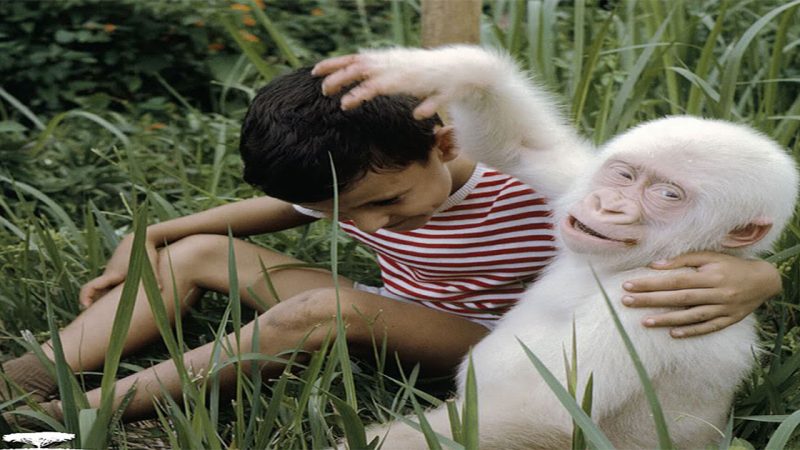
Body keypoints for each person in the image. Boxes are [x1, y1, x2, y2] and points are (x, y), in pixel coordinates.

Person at [0, 66, 782, 424]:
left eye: (386, 205)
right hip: (398, 307)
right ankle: (24, 380)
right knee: (200, 255)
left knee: (325, 309)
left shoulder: (541, 183)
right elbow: (278, 210)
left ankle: (86, 416)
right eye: (336, 211)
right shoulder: (358, 179)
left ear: (442, 143)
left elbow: (682, 232)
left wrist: (758, 281)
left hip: (492, 340)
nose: (366, 226)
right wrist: (160, 234)